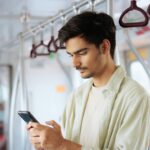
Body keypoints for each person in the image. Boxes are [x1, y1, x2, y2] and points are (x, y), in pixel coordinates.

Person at [27, 11, 150, 150]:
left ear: (104, 47)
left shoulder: (135, 98)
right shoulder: (77, 96)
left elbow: (67, 146)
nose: (74, 63)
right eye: (71, 55)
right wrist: (50, 144)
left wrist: (62, 144)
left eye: (82, 53)